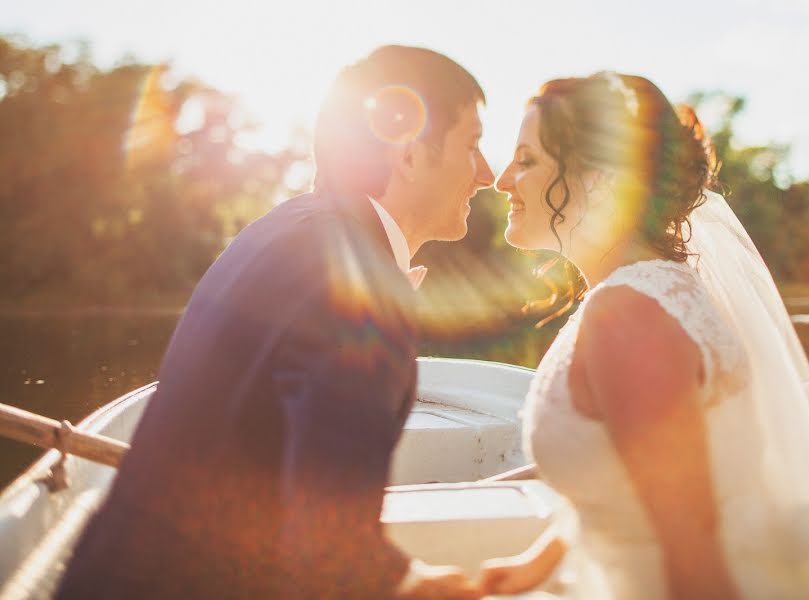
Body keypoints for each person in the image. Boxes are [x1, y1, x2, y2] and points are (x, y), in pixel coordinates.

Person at [56, 45, 493, 600]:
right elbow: (328, 545)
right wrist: (413, 585)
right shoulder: (358, 277)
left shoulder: (290, 229)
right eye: (473, 145)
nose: (487, 174)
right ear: (407, 154)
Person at [481, 72, 809, 599]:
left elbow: (693, 555)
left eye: (525, 160)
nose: (501, 181)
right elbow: (624, 482)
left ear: (600, 180)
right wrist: (534, 565)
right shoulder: (642, 296)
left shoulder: (631, 317)